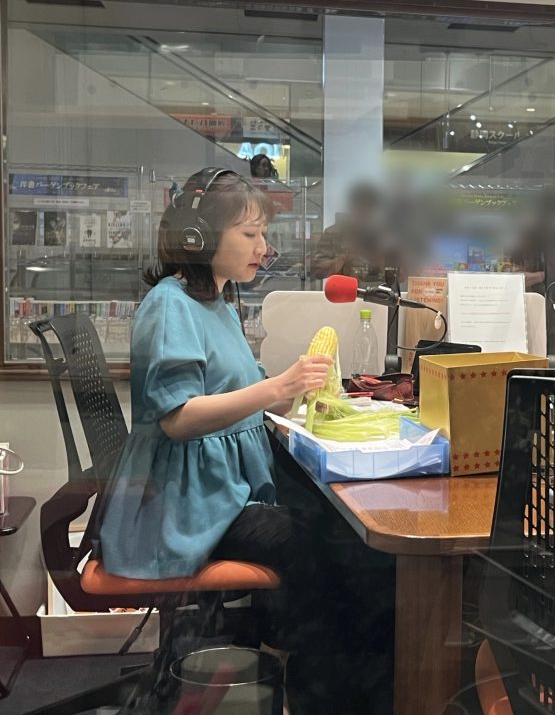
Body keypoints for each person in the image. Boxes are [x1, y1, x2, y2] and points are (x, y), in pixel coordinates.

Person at [95, 169, 388, 713]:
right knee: (323, 548)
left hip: (223, 492)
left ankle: (339, 680)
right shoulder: (170, 305)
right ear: (198, 238)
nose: (263, 247)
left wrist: (299, 392)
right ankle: (322, 690)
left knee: (346, 537)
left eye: (263, 235)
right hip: (187, 505)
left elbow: (246, 397)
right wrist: (276, 388)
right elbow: (178, 418)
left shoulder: (218, 302)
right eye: (250, 234)